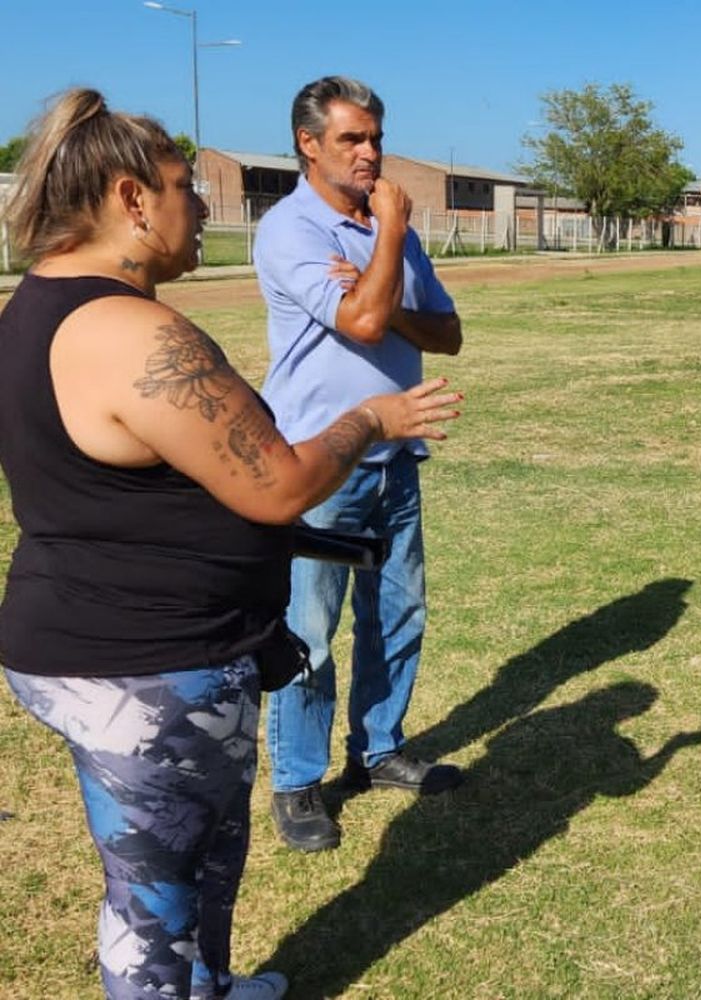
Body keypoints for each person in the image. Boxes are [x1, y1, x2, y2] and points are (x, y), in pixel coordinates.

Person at [0, 89, 460, 1000]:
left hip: (125, 643)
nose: (204, 204)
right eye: (184, 187)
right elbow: (280, 481)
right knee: (153, 898)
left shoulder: (36, 308)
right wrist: (370, 415)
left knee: (202, 851)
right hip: (148, 660)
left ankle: (210, 984)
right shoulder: (131, 330)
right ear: (134, 200)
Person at [253, 76, 465, 853]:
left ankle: (380, 749)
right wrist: (388, 238)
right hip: (318, 464)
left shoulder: (389, 231)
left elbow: (445, 333)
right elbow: (366, 318)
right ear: (309, 144)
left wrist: (386, 254)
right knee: (308, 629)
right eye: (352, 139)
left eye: (375, 136)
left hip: (395, 459)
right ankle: (298, 781)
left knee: (398, 615)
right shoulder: (291, 231)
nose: (372, 152)